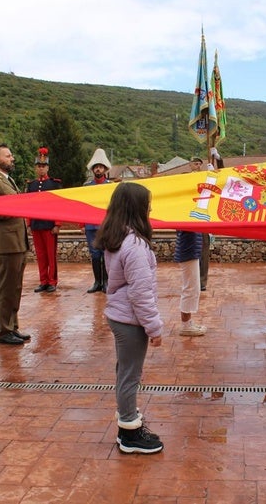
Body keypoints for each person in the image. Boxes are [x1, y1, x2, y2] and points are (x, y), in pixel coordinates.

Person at [94, 182, 164, 454]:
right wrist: (154, 327)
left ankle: (129, 421)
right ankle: (129, 433)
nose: (150, 210)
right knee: (129, 375)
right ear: (137, 209)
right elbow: (140, 293)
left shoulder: (118, 237)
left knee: (125, 371)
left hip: (120, 315)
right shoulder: (134, 244)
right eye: (147, 205)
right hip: (130, 319)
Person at [0, 144, 31, 346]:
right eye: (8, 155)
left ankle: (12, 326)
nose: (12, 158)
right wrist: (15, 208)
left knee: (16, 287)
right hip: (7, 244)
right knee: (6, 289)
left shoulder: (7, 180)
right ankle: (3, 330)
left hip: (18, 242)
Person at [26, 147, 62, 293]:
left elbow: (59, 205)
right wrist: (29, 223)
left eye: (43, 166)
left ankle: (52, 281)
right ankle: (43, 281)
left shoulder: (54, 184)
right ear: (35, 168)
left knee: (51, 256)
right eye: (39, 166)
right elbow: (28, 206)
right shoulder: (31, 185)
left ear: (48, 167)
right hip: (36, 224)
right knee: (40, 255)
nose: (41, 169)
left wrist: (57, 224)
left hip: (49, 225)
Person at [83, 148, 113, 293]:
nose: (98, 169)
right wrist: (81, 223)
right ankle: (97, 282)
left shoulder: (110, 186)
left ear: (105, 169)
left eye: (101, 167)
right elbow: (81, 206)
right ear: (93, 170)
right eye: (96, 167)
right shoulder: (86, 187)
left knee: (106, 254)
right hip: (90, 226)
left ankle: (106, 282)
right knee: (94, 254)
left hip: (106, 226)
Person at [174, 230, 207, 337]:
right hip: (188, 252)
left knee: (193, 288)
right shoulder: (186, 218)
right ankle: (186, 326)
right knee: (190, 288)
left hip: (191, 251)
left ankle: (188, 323)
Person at [188, 156, 211, 291]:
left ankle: (202, 281)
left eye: (199, 164)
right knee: (190, 252)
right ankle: (192, 280)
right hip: (190, 220)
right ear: (190, 165)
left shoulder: (206, 178)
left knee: (204, 251)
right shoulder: (185, 179)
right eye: (195, 164)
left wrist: (214, 169)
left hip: (203, 219)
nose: (197, 166)